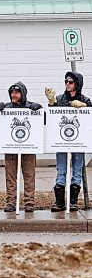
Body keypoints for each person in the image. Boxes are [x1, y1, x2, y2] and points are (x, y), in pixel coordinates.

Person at [0, 81, 43, 212]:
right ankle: (11, 202)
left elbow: (42, 122)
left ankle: (29, 202)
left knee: (29, 175)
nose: (14, 95)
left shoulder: (31, 107)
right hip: (10, 147)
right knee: (10, 176)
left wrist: (40, 110)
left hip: (28, 146)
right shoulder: (6, 108)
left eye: (17, 92)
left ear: (23, 93)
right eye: (12, 92)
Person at [45, 71, 91, 211]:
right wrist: (51, 103)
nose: (67, 84)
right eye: (66, 81)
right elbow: (52, 118)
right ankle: (59, 202)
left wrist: (85, 107)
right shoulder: (59, 99)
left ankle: (73, 202)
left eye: (70, 82)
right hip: (62, 141)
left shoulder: (85, 99)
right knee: (61, 171)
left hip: (78, 141)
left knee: (77, 171)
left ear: (77, 84)